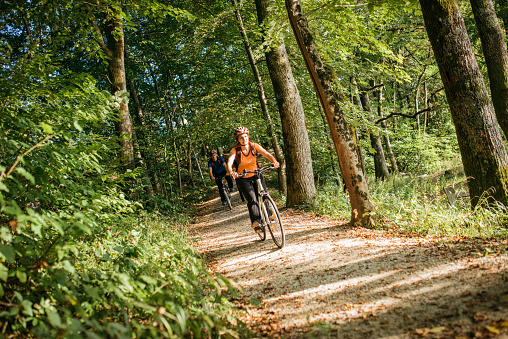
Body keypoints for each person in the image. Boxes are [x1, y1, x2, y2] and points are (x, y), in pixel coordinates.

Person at [227, 127, 279, 233]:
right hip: (243, 178)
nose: (244, 139)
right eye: (241, 138)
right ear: (238, 140)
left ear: (248, 136)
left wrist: (274, 161)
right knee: (252, 199)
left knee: (264, 194)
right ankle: (256, 222)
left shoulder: (254, 146)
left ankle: (269, 216)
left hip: (256, 174)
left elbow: (267, 154)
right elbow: (229, 162)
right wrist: (232, 172)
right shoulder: (235, 150)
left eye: (245, 136)